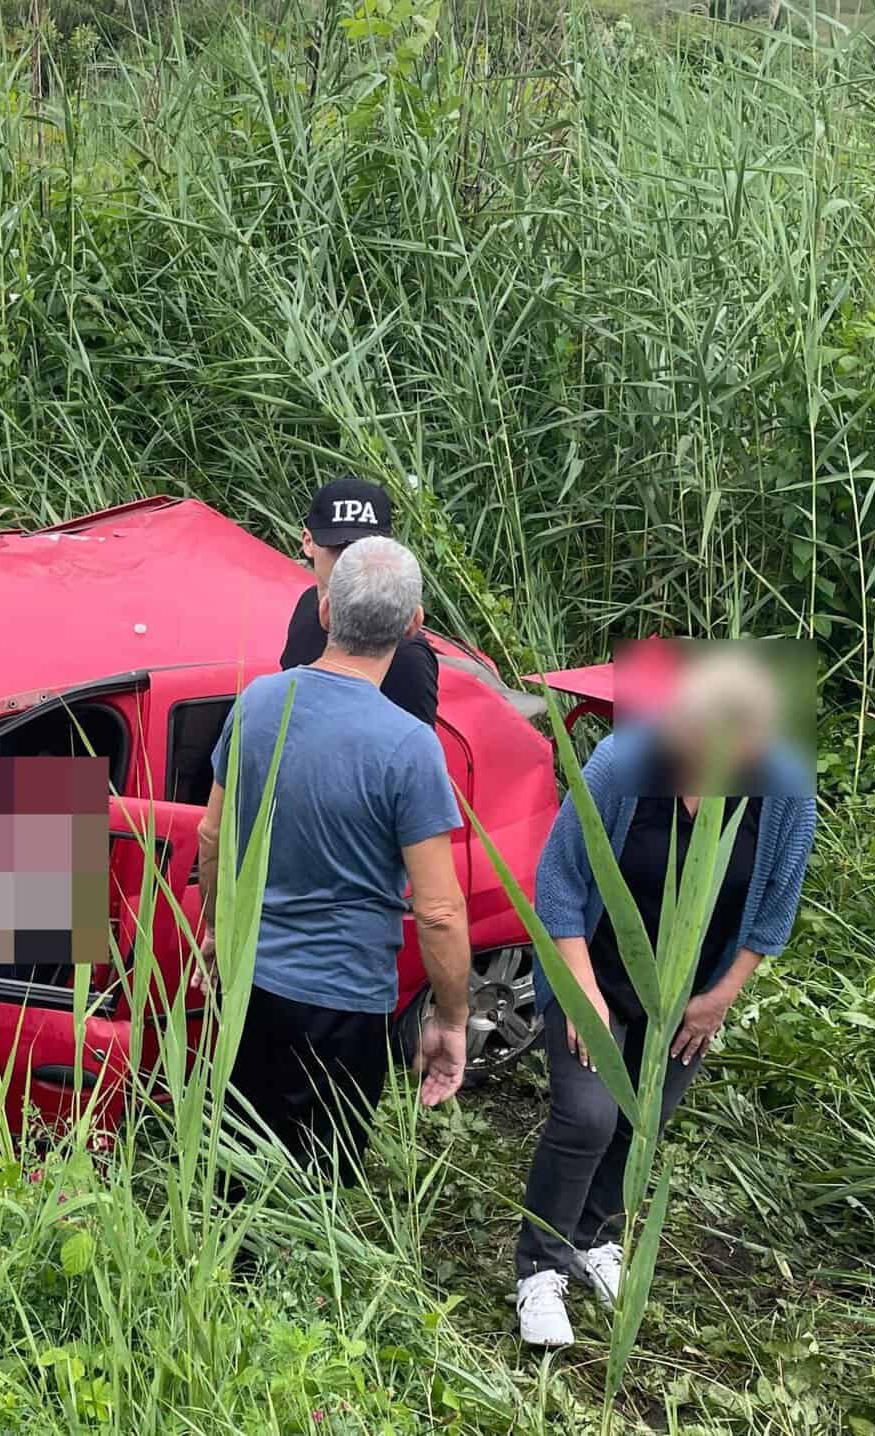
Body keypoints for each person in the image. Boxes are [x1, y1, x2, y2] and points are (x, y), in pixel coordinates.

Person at [513, 649, 817, 1347]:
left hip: (691, 994)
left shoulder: (786, 791)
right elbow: (558, 885)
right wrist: (584, 996)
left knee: (642, 1116)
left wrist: (718, 1000)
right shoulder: (623, 764)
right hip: (591, 970)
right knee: (588, 1115)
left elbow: (774, 910)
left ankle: (594, 1238)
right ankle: (539, 1268)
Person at [199, 536, 472, 1181]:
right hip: (345, 1006)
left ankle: (227, 1279)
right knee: (315, 1190)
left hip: (251, 988)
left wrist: (216, 926)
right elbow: (438, 912)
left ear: (324, 610)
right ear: (413, 626)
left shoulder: (258, 703)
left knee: (236, 1169)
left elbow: (213, 837)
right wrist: (451, 1018)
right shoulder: (410, 747)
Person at [280, 476, 439, 726]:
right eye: (339, 547)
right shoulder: (306, 604)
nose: (351, 561)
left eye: (362, 548)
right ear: (308, 542)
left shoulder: (405, 652)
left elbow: (412, 753)